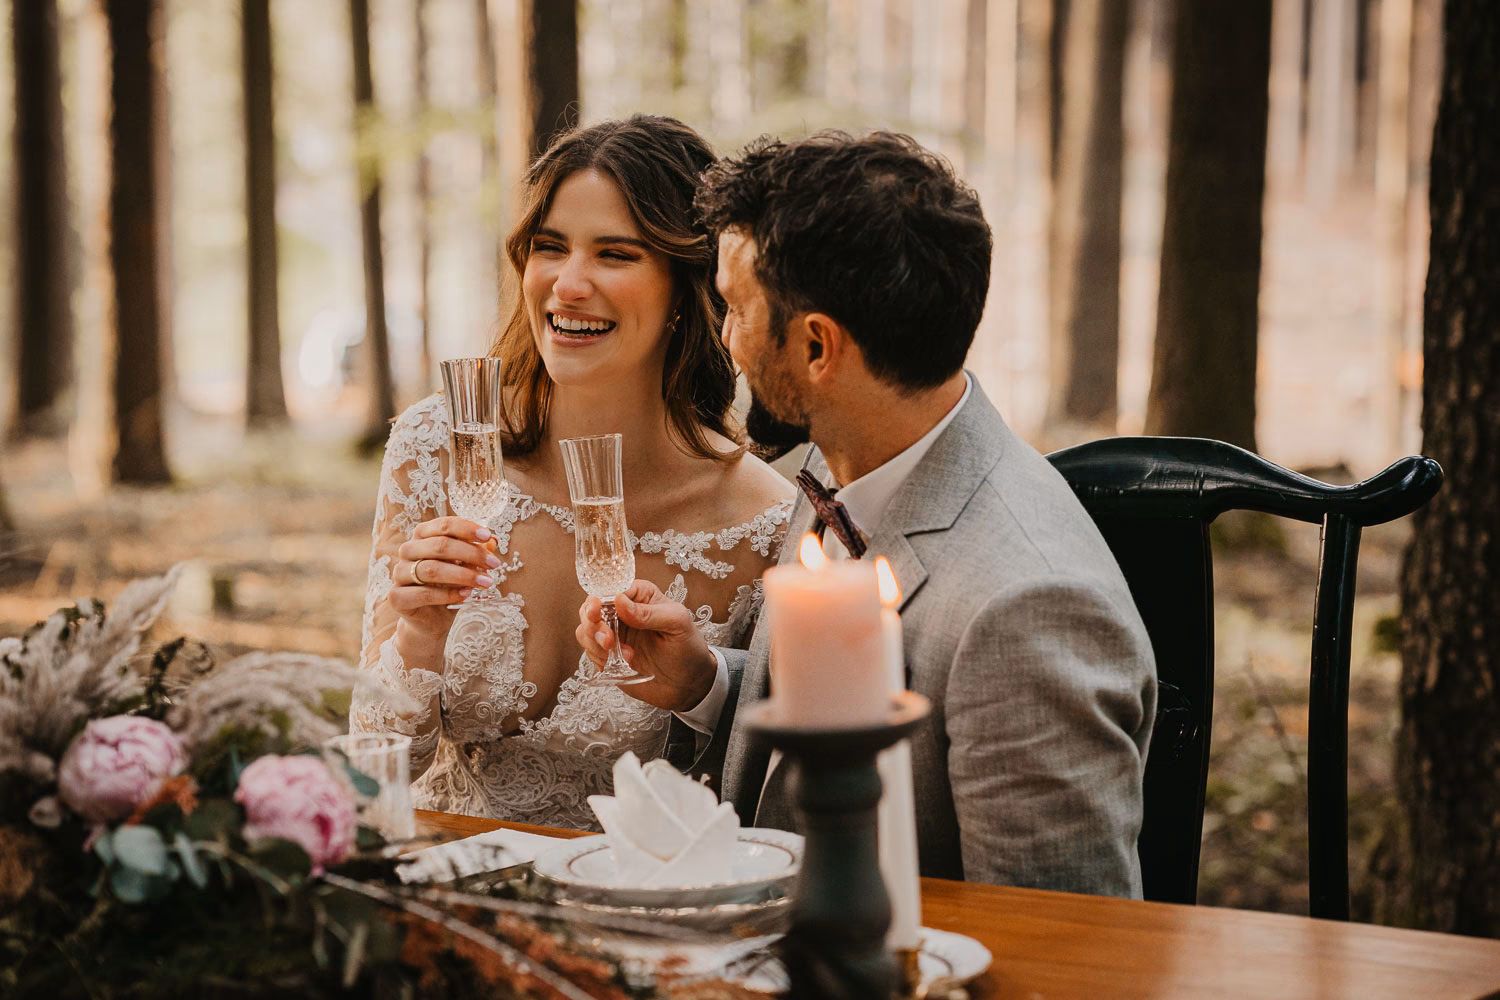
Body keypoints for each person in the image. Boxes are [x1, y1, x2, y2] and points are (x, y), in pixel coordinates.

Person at [578, 131, 1158, 897]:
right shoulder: (845, 451)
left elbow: (1062, 949)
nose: (724, 336)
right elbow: (836, 710)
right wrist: (707, 680)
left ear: (818, 346)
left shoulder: (1028, 608)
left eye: (736, 309)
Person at [352, 116, 794, 830]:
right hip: (446, 885)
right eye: (549, 248)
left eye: (614, 254)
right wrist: (418, 637)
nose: (568, 283)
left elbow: (760, 796)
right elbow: (373, 771)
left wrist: (697, 687)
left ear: (687, 287)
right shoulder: (434, 445)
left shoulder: (765, 522)